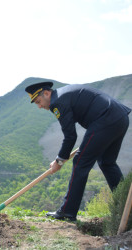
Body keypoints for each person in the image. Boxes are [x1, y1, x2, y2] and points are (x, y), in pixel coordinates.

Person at [25, 82, 131, 221]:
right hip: (120, 117)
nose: (40, 106)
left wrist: (59, 161)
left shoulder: (58, 102)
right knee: (107, 162)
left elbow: (70, 136)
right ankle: (126, 208)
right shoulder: (64, 94)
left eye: (39, 101)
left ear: (46, 93)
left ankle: (67, 211)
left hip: (104, 120)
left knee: (80, 162)